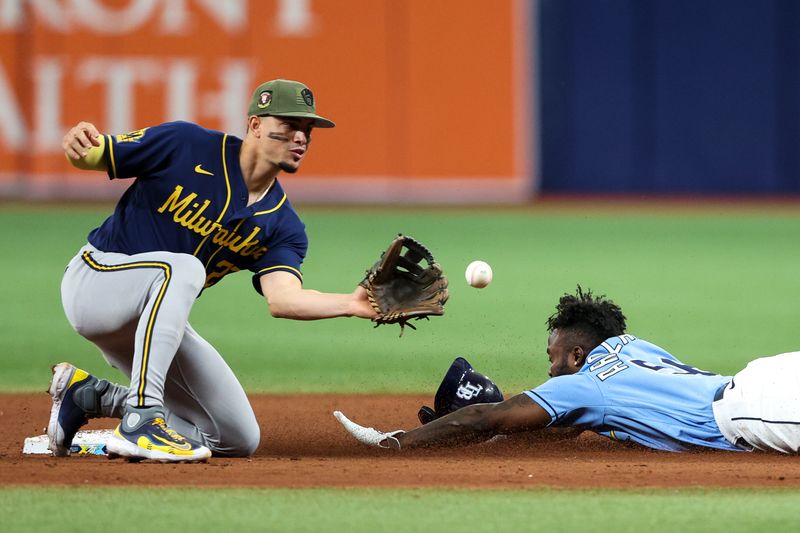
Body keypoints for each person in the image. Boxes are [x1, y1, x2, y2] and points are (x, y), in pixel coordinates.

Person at [49, 79, 378, 462]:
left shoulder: (283, 225)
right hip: (96, 282)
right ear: (255, 125)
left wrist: (354, 303)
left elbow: (284, 298)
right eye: (288, 125)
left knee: (236, 438)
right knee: (184, 268)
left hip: (153, 323)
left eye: (306, 130)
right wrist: (79, 145)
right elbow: (95, 154)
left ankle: (91, 395)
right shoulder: (186, 144)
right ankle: (141, 419)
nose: (300, 137)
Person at [335, 286, 800, 454]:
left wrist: (396, 441)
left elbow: (486, 417)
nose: (551, 365)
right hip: (768, 377)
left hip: (755, 409)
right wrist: (476, 434)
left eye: (552, 356)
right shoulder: (633, 346)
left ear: (577, 355)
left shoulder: (587, 384)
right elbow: (560, 427)